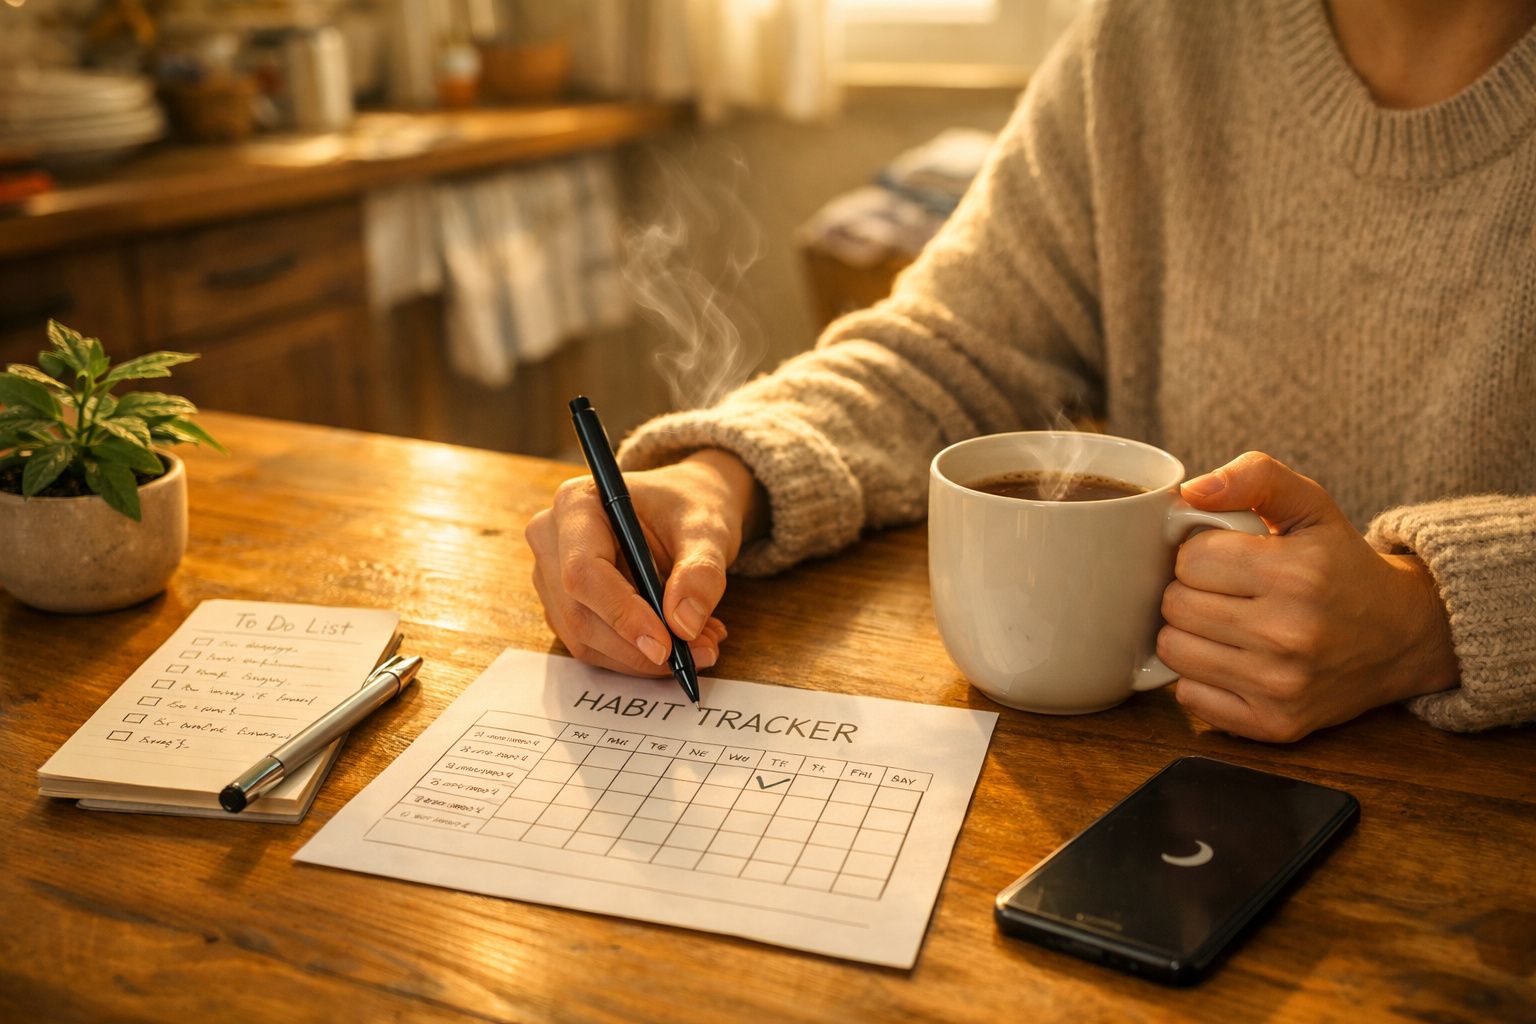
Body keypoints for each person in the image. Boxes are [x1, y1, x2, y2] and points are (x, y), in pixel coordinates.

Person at [526, 0, 1536, 743]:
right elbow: (944, 348)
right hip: (1145, 784)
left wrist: (1437, 619)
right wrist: (718, 477)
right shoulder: (1156, 40)